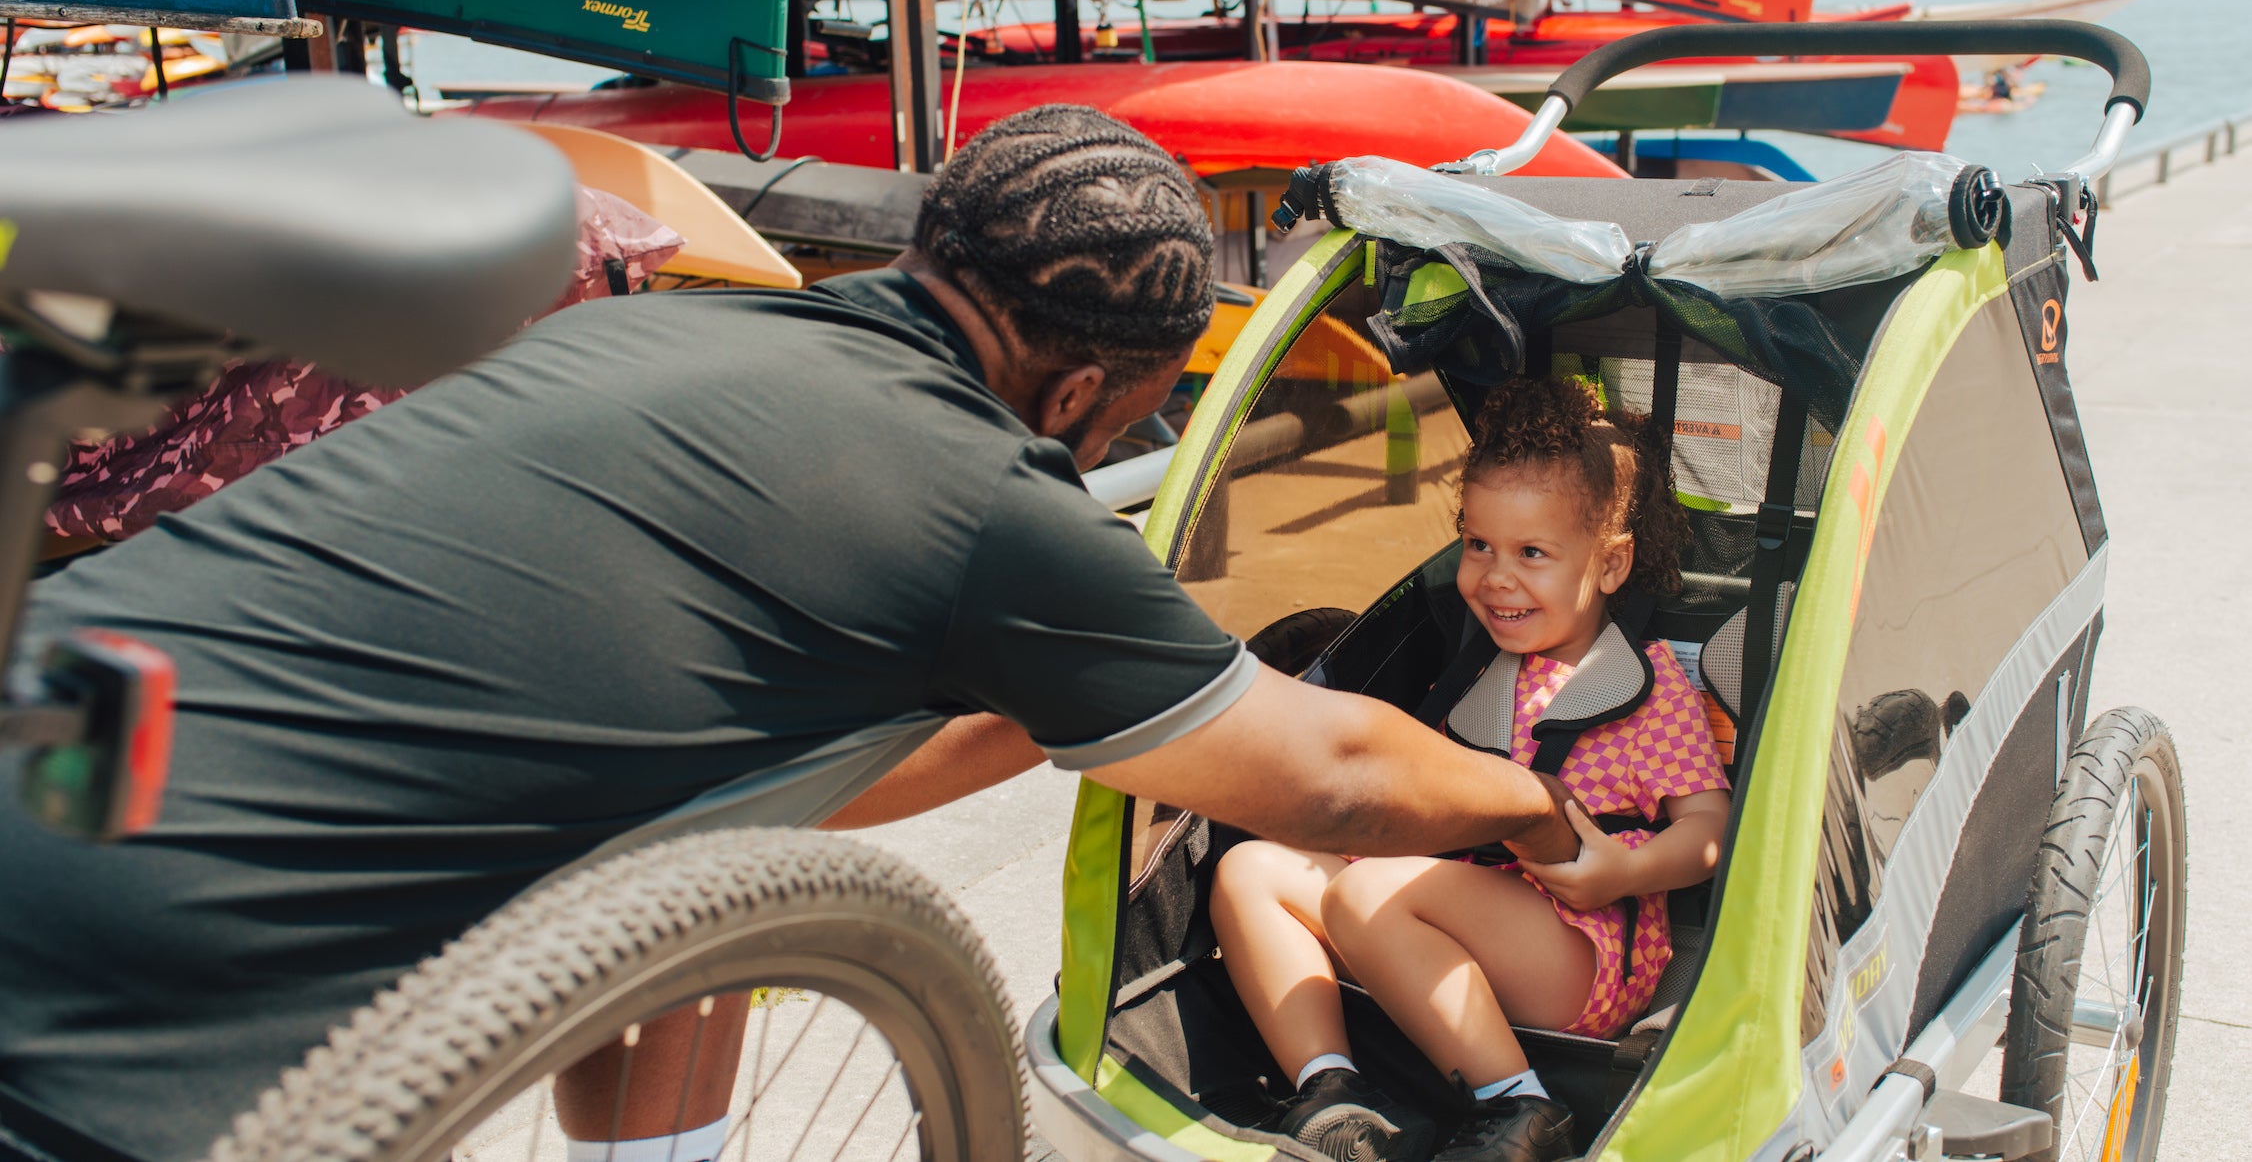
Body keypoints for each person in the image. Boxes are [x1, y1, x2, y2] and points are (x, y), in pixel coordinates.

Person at [0, 105, 1578, 1162]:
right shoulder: (975, 493)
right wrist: (1547, 807)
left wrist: (1073, 703)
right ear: (1098, 393)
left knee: (695, 859)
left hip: (58, 703)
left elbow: (750, 777)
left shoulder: (674, 323)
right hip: (134, 969)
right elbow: (1335, 774)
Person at [1207, 373, 1731, 1162]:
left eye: (1532, 554)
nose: (1496, 576)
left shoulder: (1645, 686)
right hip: (1433, 909)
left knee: (1368, 890)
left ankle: (1520, 1104)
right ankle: (1332, 1091)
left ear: (1612, 564)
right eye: (1477, 544)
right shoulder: (1470, 669)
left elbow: (1709, 829)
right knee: (1248, 870)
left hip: (1577, 944)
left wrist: (1622, 872)